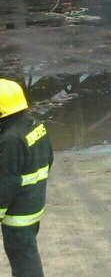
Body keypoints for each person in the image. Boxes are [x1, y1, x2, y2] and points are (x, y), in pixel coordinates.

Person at [0, 79, 53, 277]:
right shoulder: (36, 126)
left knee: (23, 261)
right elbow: (49, 158)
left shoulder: (10, 140)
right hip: (34, 206)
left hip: (17, 217)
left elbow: (7, 184)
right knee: (27, 255)